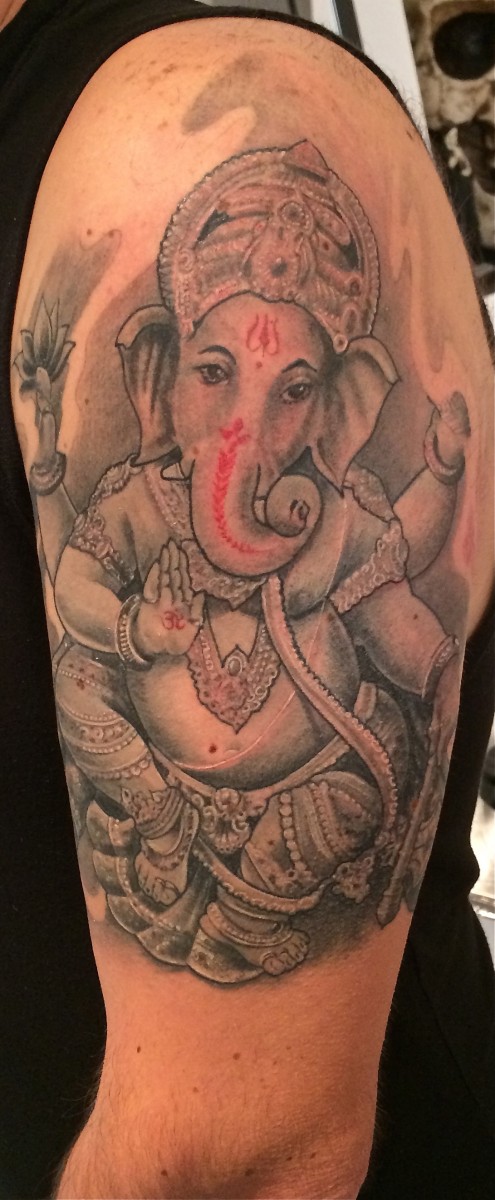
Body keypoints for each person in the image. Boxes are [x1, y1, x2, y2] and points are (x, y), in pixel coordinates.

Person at [1, 2, 494, 1197]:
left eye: (293, 390)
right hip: (151, 821)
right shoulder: (139, 502)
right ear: (159, 376)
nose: (246, 428)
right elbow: (83, 593)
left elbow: (247, 1153)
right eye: (214, 374)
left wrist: (430, 479)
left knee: (347, 792)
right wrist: (136, 629)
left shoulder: (194, 110)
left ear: (342, 404)